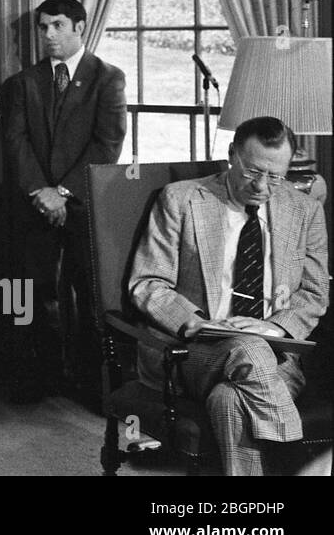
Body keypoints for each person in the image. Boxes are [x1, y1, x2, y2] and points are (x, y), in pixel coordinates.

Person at [129, 117, 328, 475]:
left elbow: (314, 293)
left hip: (276, 355)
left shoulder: (305, 210)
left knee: (229, 398)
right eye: (252, 171)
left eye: (276, 176)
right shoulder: (182, 199)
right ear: (231, 154)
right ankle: (299, 462)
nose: (263, 186)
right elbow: (147, 283)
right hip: (193, 350)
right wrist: (195, 322)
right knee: (247, 348)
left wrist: (275, 330)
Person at [1, 0, 126, 405]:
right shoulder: (23, 83)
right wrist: (41, 192)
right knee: (35, 294)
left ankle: (92, 386)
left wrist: (62, 192)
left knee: (89, 296)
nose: (49, 35)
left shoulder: (107, 78)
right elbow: (15, 142)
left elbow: (107, 145)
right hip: (34, 205)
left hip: (83, 205)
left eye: (57, 26)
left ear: (79, 27)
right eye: (43, 27)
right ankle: (42, 380)